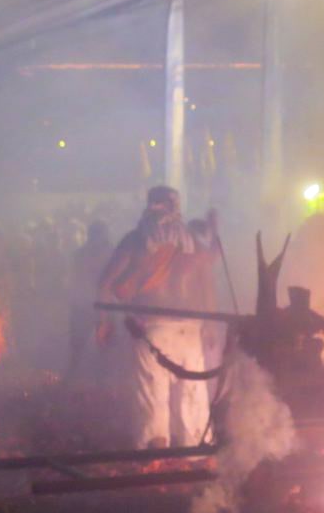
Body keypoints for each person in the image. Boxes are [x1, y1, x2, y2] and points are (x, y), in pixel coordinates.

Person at [97, 187, 216, 449]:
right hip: (188, 331)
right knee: (192, 395)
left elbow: (105, 284)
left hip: (156, 330)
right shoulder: (193, 242)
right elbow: (208, 284)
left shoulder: (135, 241)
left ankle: (157, 453)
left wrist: (104, 321)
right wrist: (209, 326)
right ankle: (193, 452)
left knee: (153, 396)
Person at [66, 220, 114, 378]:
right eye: (96, 234)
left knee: (106, 347)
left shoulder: (111, 253)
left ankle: (103, 380)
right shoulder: (81, 254)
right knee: (77, 346)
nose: (98, 238)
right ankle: (72, 378)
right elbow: (75, 278)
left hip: (104, 307)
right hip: (84, 305)